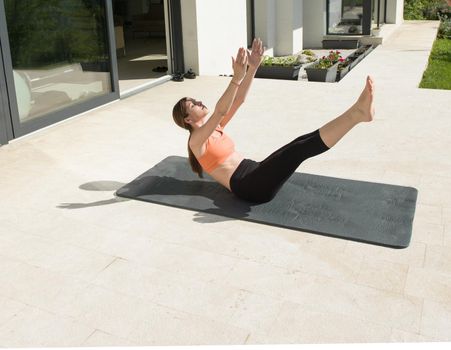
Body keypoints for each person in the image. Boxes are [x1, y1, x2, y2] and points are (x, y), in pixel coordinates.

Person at [173, 38, 374, 203]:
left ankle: (358, 113)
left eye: (196, 100)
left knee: (301, 142)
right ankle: (357, 114)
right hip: (249, 186)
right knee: (299, 151)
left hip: (253, 170)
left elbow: (239, 100)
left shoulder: (215, 128)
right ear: (188, 119)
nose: (199, 102)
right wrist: (236, 78)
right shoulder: (196, 142)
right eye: (193, 105)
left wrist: (253, 68)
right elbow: (220, 110)